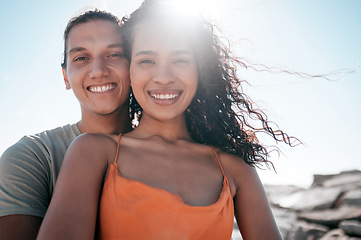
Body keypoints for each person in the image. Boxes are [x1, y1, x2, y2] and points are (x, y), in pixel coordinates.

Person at [37, 1, 297, 239]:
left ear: (200, 69)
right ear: (130, 69)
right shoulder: (92, 152)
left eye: (180, 59)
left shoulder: (235, 168)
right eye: (147, 60)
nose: (163, 77)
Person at [0, 9, 132, 240]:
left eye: (114, 54)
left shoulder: (175, 152)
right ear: (65, 77)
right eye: (81, 58)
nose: (98, 70)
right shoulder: (32, 157)